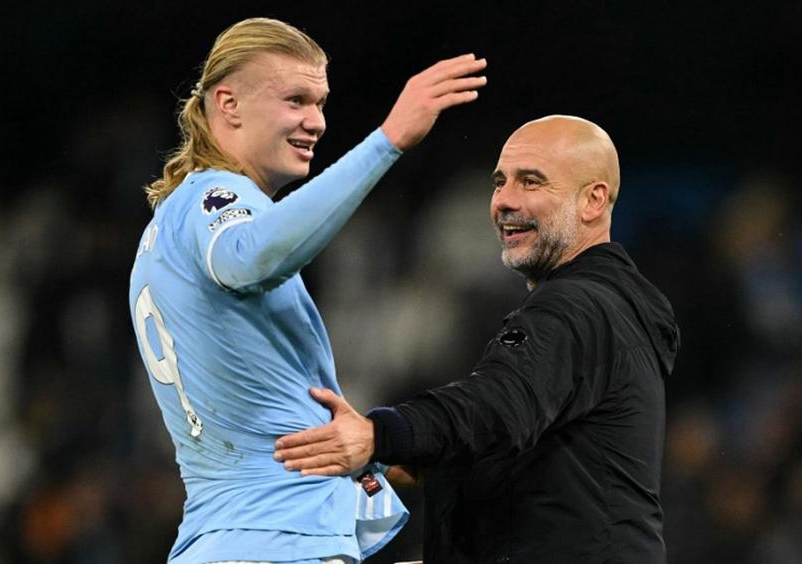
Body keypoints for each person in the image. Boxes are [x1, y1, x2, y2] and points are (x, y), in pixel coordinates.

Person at [128, 17, 486, 564]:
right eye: (296, 99)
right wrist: (387, 141)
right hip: (274, 536)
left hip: (234, 536)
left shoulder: (169, 225)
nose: (315, 122)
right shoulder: (216, 199)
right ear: (228, 104)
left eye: (320, 102)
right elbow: (250, 256)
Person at [274, 115, 681, 563]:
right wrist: (433, 460)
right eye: (499, 182)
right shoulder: (607, 309)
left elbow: (496, 404)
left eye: (530, 182)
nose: (503, 201)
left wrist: (380, 433)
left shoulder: (574, 307)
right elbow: (550, 461)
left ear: (593, 200)